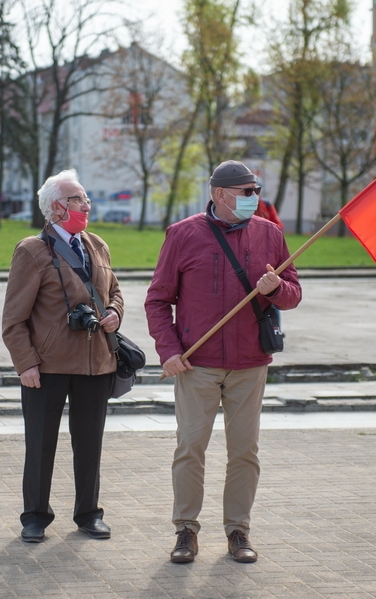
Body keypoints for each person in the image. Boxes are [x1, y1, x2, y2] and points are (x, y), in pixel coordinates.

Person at [145, 160, 302, 564]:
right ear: (220, 195)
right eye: (247, 192)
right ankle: (185, 531)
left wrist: (276, 287)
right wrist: (169, 351)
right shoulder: (182, 235)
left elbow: (294, 293)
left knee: (245, 451)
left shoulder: (271, 235)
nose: (255, 198)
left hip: (251, 363)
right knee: (190, 449)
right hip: (197, 364)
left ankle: (238, 530)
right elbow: (158, 300)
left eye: (257, 191)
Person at [2, 169, 123, 543]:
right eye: (78, 200)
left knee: (90, 444)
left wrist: (116, 312)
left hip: (95, 365)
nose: (87, 205)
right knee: (40, 445)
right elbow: (13, 319)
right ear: (57, 207)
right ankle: (35, 516)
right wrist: (26, 364)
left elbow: (115, 291)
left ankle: (89, 514)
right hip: (47, 367)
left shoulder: (97, 245)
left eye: (85, 199)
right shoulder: (32, 251)